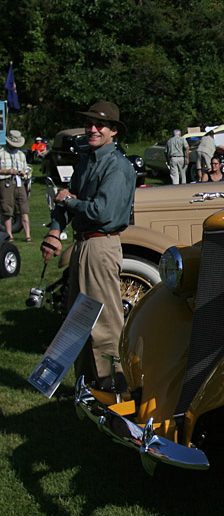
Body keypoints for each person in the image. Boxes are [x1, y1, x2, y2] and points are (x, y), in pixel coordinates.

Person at [41, 101, 135, 392]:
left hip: (101, 246)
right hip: (83, 247)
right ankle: (87, 386)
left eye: (100, 125)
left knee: (104, 323)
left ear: (113, 132)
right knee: (77, 322)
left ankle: (116, 387)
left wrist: (68, 201)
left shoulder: (117, 167)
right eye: (89, 124)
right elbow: (68, 204)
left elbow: (102, 213)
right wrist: (55, 231)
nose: (93, 129)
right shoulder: (87, 162)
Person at [0, 130, 31, 242]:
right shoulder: (1, 153)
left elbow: (27, 168)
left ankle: (28, 235)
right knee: (7, 209)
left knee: (24, 208)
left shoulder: (21, 155)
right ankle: (9, 235)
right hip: (5, 182)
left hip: (19, 182)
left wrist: (25, 172)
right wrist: (8, 171)